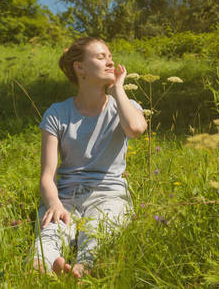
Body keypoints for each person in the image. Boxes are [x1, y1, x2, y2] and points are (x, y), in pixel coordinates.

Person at [32, 37, 147, 278]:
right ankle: (43, 266)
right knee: (50, 234)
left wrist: (117, 90)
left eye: (110, 56)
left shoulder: (124, 105)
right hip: (66, 197)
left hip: (110, 195)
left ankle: (81, 269)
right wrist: (55, 204)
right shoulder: (58, 113)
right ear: (80, 67)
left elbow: (136, 129)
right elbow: (47, 176)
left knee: (97, 234)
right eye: (100, 57)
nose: (110, 62)